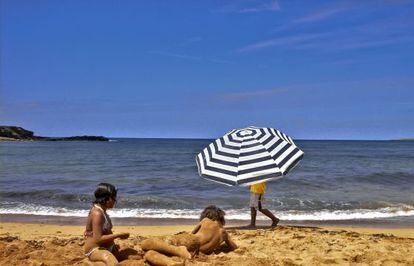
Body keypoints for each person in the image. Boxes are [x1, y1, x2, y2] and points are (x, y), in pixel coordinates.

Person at [141, 205, 237, 266]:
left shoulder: (206, 221)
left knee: (145, 243)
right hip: (197, 252)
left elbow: (191, 234)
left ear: (207, 215)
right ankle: (171, 262)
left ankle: (178, 250)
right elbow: (234, 247)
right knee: (149, 253)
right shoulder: (224, 233)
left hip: (191, 242)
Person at [83, 183, 131, 265]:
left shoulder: (103, 211)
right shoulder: (97, 213)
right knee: (113, 263)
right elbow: (98, 239)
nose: (115, 200)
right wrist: (118, 235)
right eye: (113, 198)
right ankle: (90, 263)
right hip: (96, 249)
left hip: (109, 248)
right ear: (106, 198)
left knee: (136, 256)